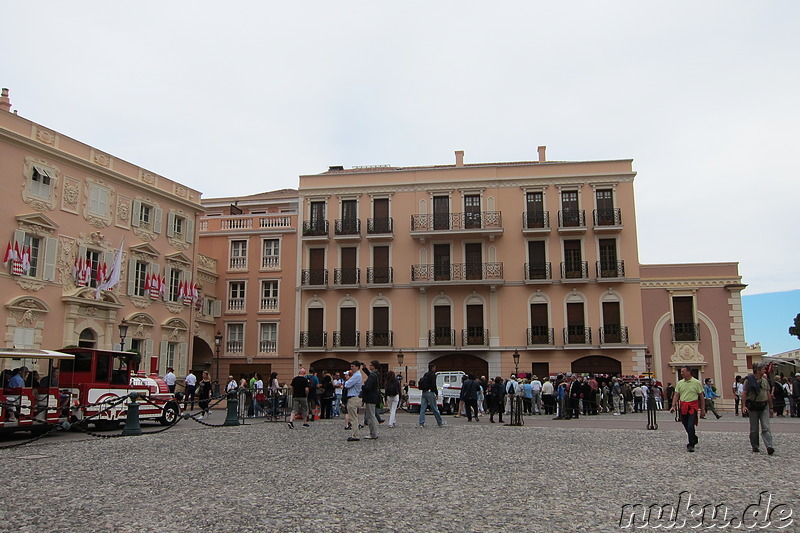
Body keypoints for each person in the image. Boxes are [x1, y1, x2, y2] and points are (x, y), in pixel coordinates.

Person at [670, 366, 705, 452]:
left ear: (689, 372)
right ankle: (694, 437)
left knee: (690, 425)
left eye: (683, 372)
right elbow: (676, 395)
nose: (681, 373)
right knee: (685, 424)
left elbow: (701, 396)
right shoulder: (680, 383)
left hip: (692, 407)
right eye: (681, 372)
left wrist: (703, 409)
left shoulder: (696, 383)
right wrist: (673, 406)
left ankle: (691, 444)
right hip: (683, 407)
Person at [742, 362, 775, 455]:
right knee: (754, 428)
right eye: (763, 369)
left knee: (766, 427)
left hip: (764, 406)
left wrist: (771, 407)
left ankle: (769, 446)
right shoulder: (749, 380)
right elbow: (744, 393)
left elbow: (768, 394)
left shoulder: (765, 381)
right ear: (758, 370)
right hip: (753, 406)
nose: (765, 370)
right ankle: (755, 445)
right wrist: (743, 406)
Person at [418, 362, 445, 427]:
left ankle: (421, 422)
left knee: (423, 408)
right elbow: (433, 384)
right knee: (434, 408)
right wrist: (436, 393)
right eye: (434, 367)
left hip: (424, 392)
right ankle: (439, 422)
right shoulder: (433, 375)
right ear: (432, 368)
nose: (435, 369)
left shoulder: (426, 374)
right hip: (430, 392)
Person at [360, 360, 381, 440]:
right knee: (371, 415)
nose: (370, 366)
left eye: (371, 365)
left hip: (370, 398)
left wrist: (362, 386)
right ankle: (373, 433)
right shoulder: (375, 374)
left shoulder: (373, 376)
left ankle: (373, 434)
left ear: (374, 366)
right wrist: (364, 368)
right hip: (373, 397)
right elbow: (369, 374)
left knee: (371, 416)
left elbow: (368, 387)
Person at [344, 361, 363, 440]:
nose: (351, 368)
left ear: (357, 367)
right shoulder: (356, 375)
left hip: (353, 397)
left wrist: (346, 382)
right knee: (353, 417)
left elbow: (347, 384)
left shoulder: (357, 375)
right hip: (353, 397)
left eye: (353, 366)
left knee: (353, 417)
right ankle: (354, 433)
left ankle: (355, 435)